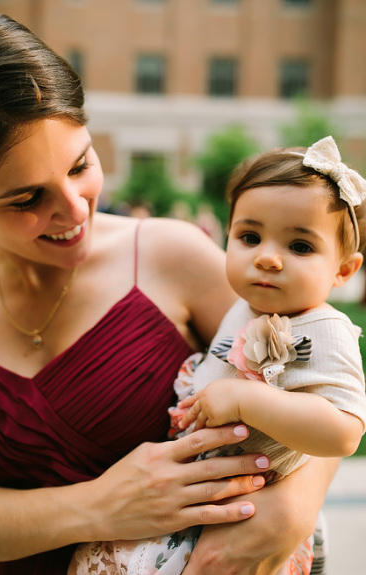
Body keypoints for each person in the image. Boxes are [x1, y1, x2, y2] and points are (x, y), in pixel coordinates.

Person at [0, 10, 342, 575]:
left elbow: (325, 394)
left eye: (80, 165)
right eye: (27, 199)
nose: (75, 210)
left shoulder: (173, 255)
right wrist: (95, 509)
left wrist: (285, 517)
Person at [70, 136, 366, 573]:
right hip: (198, 491)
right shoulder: (241, 307)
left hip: (249, 504)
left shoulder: (326, 329)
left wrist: (249, 400)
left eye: (299, 246)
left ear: (343, 269)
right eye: (249, 236)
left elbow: (344, 432)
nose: (267, 258)